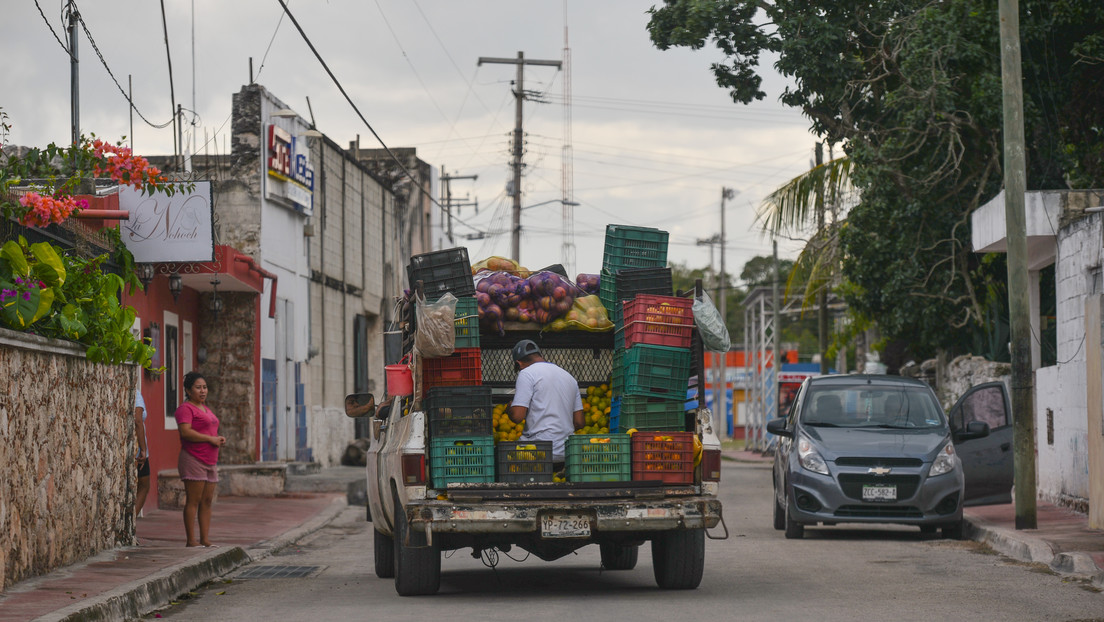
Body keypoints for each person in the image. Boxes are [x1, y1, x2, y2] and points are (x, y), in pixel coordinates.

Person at [507, 339, 584, 471]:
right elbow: (579, 422)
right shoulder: (569, 378)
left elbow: (517, 417)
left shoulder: (527, 374)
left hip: (537, 453)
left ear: (519, 364)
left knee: (504, 459)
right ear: (539, 355)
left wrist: (509, 408)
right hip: (566, 454)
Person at [174, 371, 226, 547]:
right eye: (198, 388)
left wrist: (217, 438)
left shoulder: (206, 408)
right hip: (193, 458)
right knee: (193, 501)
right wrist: (209, 439)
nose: (202, 391)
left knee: (207, 501)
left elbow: (208, 430)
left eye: (204, 387)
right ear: (188, 390)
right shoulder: (185, 409)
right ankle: (191, 540)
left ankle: (205, 539)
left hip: (211, 460)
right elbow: (185, 432)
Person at [135, 386, 150, 518]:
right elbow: (138, 421)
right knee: (144, 485)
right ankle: (130, 521)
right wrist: (143, 450)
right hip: (138, 452)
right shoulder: (136, 394)